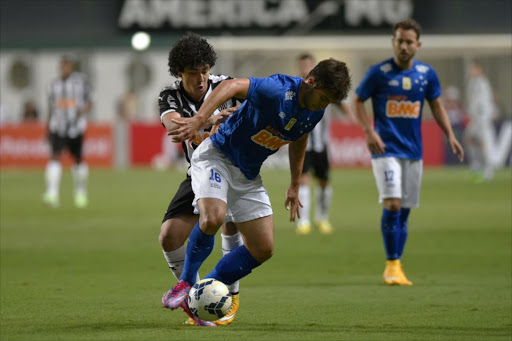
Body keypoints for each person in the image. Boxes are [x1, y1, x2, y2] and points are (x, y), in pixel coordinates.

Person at [165, 58, 351, 325]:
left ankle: (206, 287)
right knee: (213, 217)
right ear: (310, 82)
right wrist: (199, 119)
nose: (324, 106)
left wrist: (295, 183)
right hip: (217, 155)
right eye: (323, 99)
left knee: (263, 248)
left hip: (247, 174)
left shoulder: (315, 110)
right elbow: (230, 86)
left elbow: (300, 136)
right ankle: (185, 283)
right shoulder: (277, 89)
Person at [353, 19, 464, 286]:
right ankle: (391, 265)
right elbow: (357, 100)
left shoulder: (426, 73)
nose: (403, 46)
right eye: (399, 41)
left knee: (404, 211)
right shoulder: (379, 72)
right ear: (393, 41)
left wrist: (449, 134)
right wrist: (370, 132)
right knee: (392, 203)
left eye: (409, 42)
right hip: (385, 149)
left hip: (413, 151)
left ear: (418, 45)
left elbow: (436, 105)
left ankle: (397, 264)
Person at [158, 33, 243, 327]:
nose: (201, 79)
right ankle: (195, 296)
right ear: (180, 73)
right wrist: (212, 119)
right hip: (198, 171)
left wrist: (238, 114)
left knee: (227, 219)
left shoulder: (227, 85)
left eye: (205, 71)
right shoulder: (170, 95)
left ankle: (230, 294)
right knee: (169, 236)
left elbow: (254, 108)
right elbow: (176, 128)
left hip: (234, 168)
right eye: (193, 73)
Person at [295, 53, 356, 235]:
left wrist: (351, 117)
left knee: (323, 181)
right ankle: (303, 222)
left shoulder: (325, 87)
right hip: (302, 143)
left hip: (322, 144)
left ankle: (322, 218)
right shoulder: (298, 87)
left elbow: (341, 103)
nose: (305, 67)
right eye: (302, 64)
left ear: (313, 66)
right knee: (303, 180)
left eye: (308, 64)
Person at [43, 55, 92, 208]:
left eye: (67, 66)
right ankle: (52, 193)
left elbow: (90, 102)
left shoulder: (80, 83)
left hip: (75, 128)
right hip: (58, 127)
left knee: (77, 159)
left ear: (71, 67)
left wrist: (80, 112)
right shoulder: (54, 85)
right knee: (55, 157)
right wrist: (47, 126)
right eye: (62, 66)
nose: (64, 69)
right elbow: (51, 107)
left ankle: (80, 192)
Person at [464, 61, 496, 182]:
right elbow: (472, 102)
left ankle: (489, 170)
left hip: (483, 118)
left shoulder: (483, 83)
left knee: (485, 143)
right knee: (468, 138)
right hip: (475, 119)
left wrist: (484, 116)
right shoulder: (472, 83)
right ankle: (476, 165)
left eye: (473, 69)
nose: (471, 72)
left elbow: (484, 102)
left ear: (479, 70)